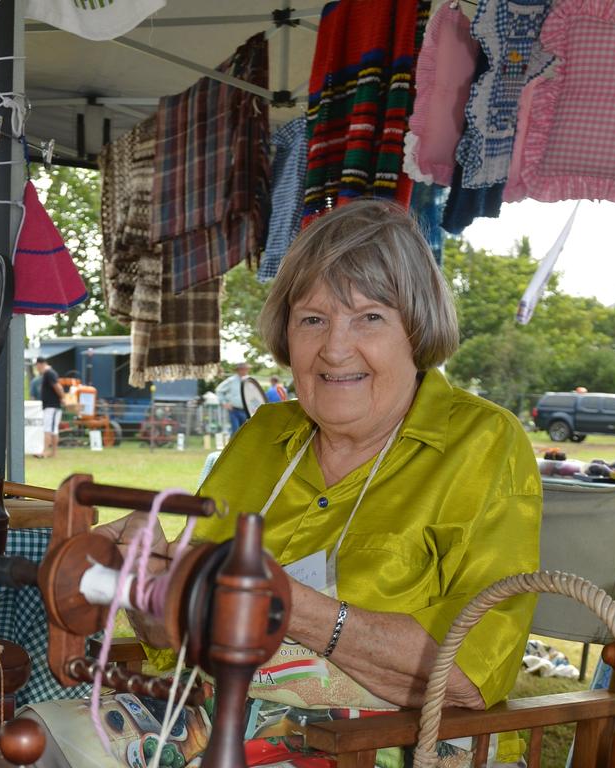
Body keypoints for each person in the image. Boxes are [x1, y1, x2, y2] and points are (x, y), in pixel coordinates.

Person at [95, 200, 541, 764]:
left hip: (382, 745)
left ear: (417, 328)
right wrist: (149, 580)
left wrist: (295, 610)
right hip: (213, 720)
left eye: (370, 317)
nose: (334, 348)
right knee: (40, 738)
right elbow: (167, 637)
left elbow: (476, 675)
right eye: (312, 319)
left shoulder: (483, 443)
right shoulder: (263, 435)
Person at [35, 356, 64, 458]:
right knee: (52, 429)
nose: (37, 369)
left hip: (52, 407)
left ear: (40, 364)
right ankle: (52, 453)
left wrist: (62, 398)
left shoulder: (49, 373)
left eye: (37, 366)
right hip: (51, 407)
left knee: (49, 429)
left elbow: (58, 387)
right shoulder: (49, 373)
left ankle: (45, 452)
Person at [215, 362, 250, 434]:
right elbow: (219, 390)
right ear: (238, 370)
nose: (244, 371)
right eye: (242, 369)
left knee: (244, 433)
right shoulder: (231, 380)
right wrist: (224, 403)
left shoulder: (249, 380)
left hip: (246, 411)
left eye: (246, 369)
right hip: (234, 410)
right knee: (235, 431)